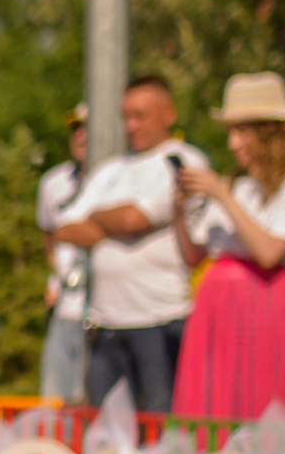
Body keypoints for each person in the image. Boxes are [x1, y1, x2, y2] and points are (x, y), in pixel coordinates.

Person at [53, 74, 206, 414]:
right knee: (104, 433)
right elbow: (64, 228)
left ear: (168, 114)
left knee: (157, 426)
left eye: (140, 115)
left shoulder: (182, 162)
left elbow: (134, 219)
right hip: (104, 325)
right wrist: (120, 222)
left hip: (159, 320)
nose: (131, 125)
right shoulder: (110, 170)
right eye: (126, 116)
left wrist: (99, 219)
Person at [170, 73, 285, 419]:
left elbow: (268, 253)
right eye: (231, 132)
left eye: (242, 131)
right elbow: (195, 255)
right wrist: (179, 208)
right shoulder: (236, 185)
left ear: (269, 133)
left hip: (265, 303)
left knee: (261, 400)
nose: (233, 143)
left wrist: (221, 195)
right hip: (217, 304)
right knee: (214, 402)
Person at [35, 105, 90, 401]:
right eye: (74, 128)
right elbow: (49, 238)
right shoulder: (52, 183)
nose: (80, 135)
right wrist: (57, 278)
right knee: (56, 399)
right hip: (65, 308)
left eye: (87, 127)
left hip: (105, 314)